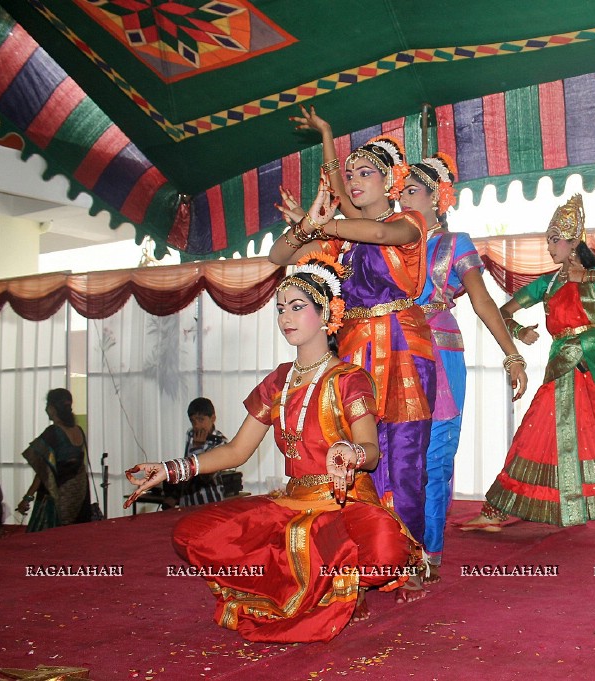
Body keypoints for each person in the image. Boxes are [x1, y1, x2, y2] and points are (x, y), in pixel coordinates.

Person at [124, 253, 422, 642]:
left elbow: (372, 449)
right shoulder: (278, 381)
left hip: (342, 503)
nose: (286, 318)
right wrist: (170, 470)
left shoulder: (349, 378)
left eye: (297, 308)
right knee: (191, 533)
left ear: (327, 313)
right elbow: (235, 451)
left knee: (385, 550)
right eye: (281, 309)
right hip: (293, 502)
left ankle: (339, 582)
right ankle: (318, 582)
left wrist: (351, 452)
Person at [271, 106, 434, 600]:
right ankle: (357, 562)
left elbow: (378, 232)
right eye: (350, 174)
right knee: (353, 453)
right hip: (357, 346)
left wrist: (324, 226)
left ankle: (408, 562)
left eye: (367, 173)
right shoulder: (341, 240)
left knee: (403, 458)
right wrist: (325, 134)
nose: (353, 181)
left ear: (390, 181)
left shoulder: (405, 224)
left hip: (404, 346)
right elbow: (278, 259)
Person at [461, 194, 595, 533]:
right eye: (548, 240)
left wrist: (585, 279)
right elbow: (504, 312)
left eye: (554, 240)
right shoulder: (546, 284)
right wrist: (518, 330)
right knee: (534, 429)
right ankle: (497, 510)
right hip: (562, 365)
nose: (549, 247)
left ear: (574, 242)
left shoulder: (593, 277)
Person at [399, 153, 529, 581]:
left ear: (438, 197)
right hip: (392, 351)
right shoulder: (387, 242)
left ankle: (428, 551)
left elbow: (482, 300)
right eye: (399, 192)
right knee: (394, 452)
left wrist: (510, 354)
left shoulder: (455, 244)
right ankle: (391, 546)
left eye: (412, 191)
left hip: (438, 352)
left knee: (433, 456)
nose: (403, 200)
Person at [16, 389, 93, 532]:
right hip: (78, 492)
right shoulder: (79, 430)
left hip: (56, 494)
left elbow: (43, 470)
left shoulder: (53, 432)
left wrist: (27, 497)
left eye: (47, 405)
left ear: (52, 409)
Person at [161, 397, 228, 508]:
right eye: (193, 421)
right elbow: (188, 469)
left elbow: (206, 476)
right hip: (188, 502)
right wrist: (174, 496)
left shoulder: (220, 442)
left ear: (213, 418)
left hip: (209, 502)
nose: (196, 425)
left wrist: (198, 448)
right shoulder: (191, 434)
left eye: (201, 420)